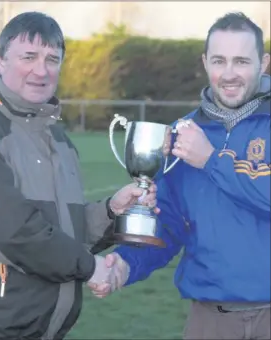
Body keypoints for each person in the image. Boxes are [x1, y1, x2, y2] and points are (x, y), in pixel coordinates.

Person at [89, 12, 271, 340]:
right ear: (204, 62)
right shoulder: (182, 133)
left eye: (241, 61)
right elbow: (169, 223)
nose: (229, 74)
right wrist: (125, 264)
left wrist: (211, 161)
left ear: (264, 63)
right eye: (219, 61)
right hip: (210, 320)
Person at [0, 11, 158, 340]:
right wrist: (93, 268)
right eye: (29, 56)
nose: (41, 70)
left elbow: (68, 233)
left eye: (52, 59)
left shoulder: (60, 140)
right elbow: (17, 233)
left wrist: (112, 211)